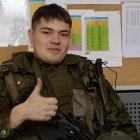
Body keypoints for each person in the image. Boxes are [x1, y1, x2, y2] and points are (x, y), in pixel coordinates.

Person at [0, 3, 139, 140]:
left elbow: (126, 129)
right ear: (31, 35)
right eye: (47, 32)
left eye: (64, 34)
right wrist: (17, 115)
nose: (56, 40)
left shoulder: (87, 73)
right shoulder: (8, 77)